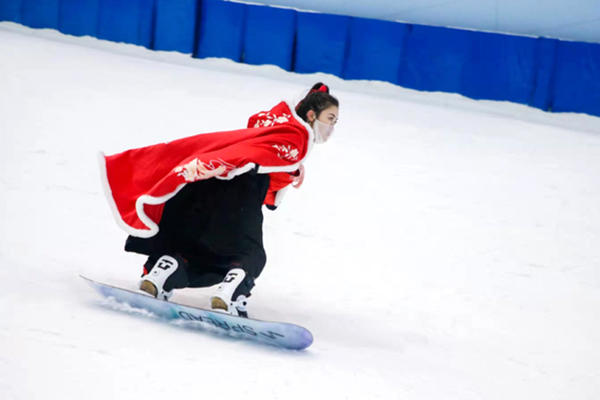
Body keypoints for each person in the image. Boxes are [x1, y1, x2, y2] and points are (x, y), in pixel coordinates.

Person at [99, 83, 339, 317]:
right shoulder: (295, 139)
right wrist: (292, 168)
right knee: (248, 254)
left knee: (189, 247)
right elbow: (261, 161)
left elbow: (262, 156)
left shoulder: (277, 128)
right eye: (330, 119)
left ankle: (165, 269)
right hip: (238, 195)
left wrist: (292, 169)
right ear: (311, 115)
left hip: (202, 188)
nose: (332, 126)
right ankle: (232, 292)